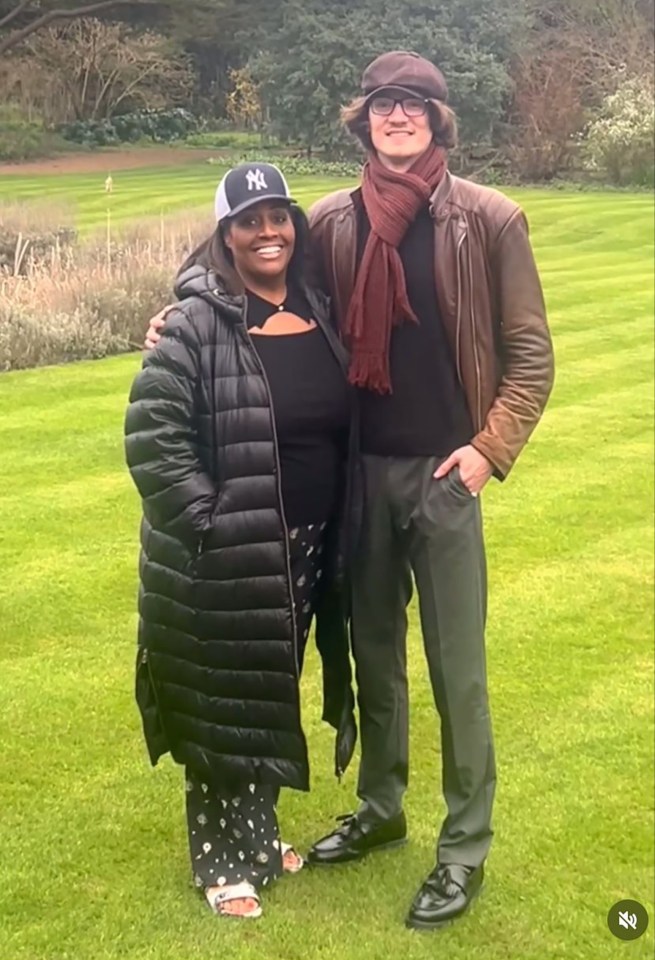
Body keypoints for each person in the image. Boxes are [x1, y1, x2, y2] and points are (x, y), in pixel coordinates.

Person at [144, 51, 555, 930]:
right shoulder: (331, 221)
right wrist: (176, 311)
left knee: (457, 672)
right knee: (372, 659)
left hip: (446, 473)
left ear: (438, 120)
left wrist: (487, 451)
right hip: (360, 477)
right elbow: (259, 285)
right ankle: (380, 808)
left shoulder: (488, 218)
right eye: (382, 104)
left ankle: (462, 847)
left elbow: (529, 357)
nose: (397, 116)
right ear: (362, 119)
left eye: (414, 105)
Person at [125, 161, 357, 920]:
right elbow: (153, 441)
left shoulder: (318, 309)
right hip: (230, 552)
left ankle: (258, 839)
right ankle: (223, 861)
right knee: (222, 701)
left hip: (309, 546)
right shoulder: (194, 322)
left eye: (278, 217)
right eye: (249, 221)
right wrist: (210, 525)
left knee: (264, 694)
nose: (268, 233)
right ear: (224, 235)